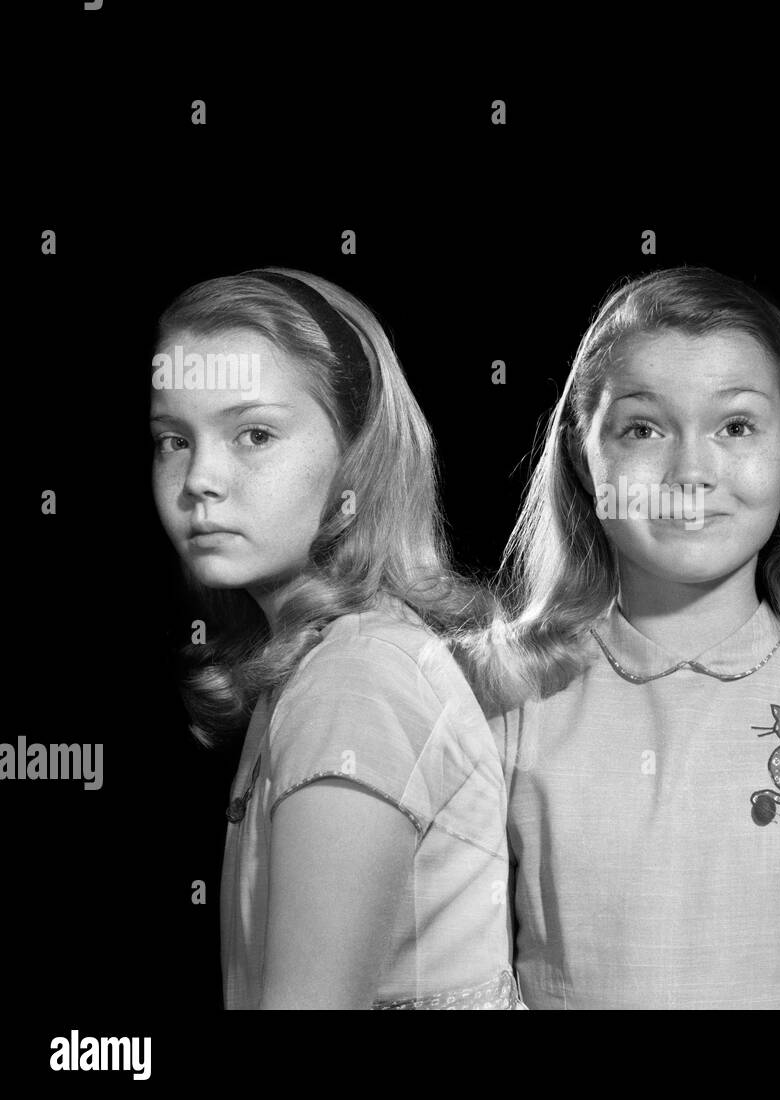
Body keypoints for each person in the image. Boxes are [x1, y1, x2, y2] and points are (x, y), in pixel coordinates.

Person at [465, 266, 780, 1009]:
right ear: (581, 449)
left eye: (735, 427)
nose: (691, 472)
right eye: (642, 428)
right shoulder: (499, 696)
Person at [150, 268, 521, 1009]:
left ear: (358, 454)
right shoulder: (325, 658)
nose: (200, 479)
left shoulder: (354, 682)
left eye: (254, 433)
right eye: (172, 440)